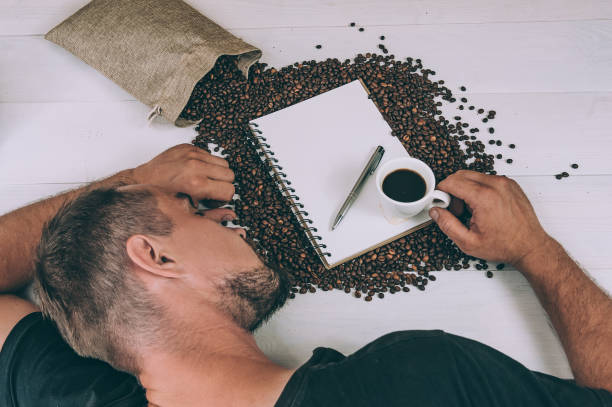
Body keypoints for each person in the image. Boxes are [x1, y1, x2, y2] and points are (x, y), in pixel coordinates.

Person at [0, 144, 611, 407]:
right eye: (193, 211)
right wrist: (535, 250)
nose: (230, 219)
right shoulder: (418, 379)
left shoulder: (70, 394)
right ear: (155, 258)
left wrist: (131, 185)